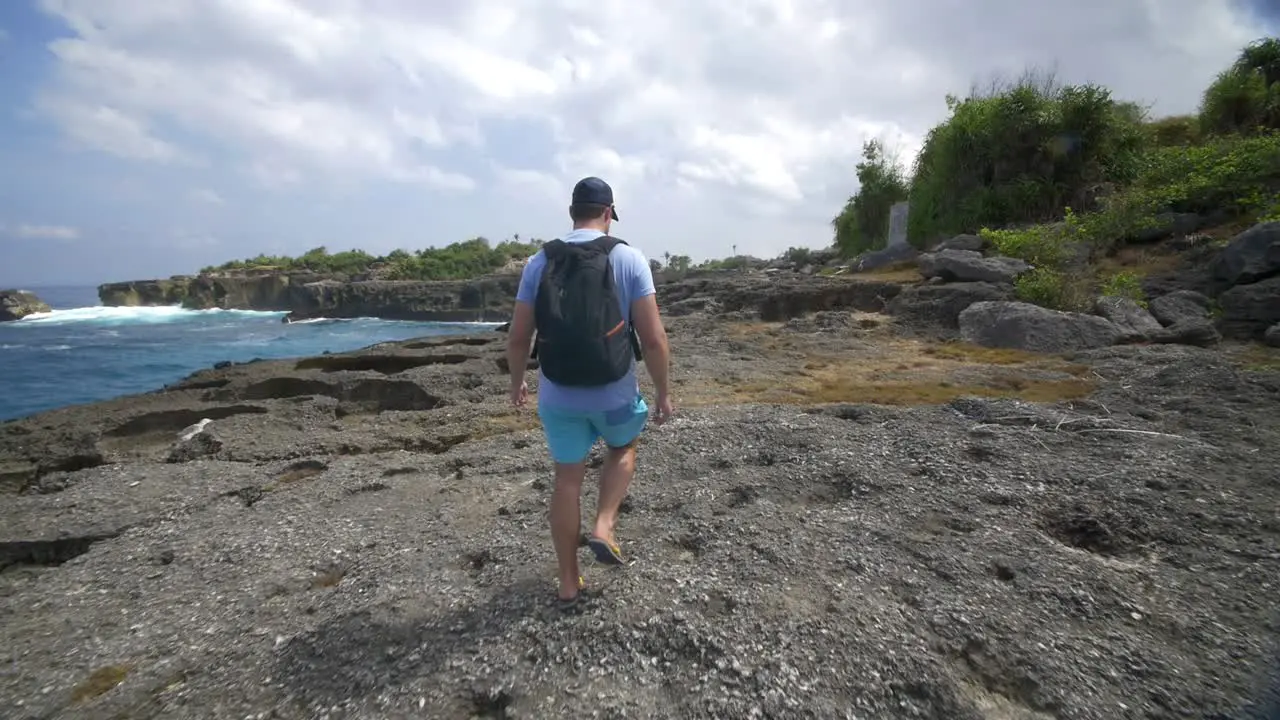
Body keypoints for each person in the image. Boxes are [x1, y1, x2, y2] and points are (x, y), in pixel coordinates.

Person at [504, 176, 674, 610]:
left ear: (572, 212)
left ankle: (566, 582)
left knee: (566, 479)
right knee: (623, 448)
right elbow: (653, 339)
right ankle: (603, 525)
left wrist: (517, 380)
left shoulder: (538, 261)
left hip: (559, 394)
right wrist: (662, 392)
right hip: (614, 392)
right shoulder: (629, 259)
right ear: (608, 213)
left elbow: (519, 336)